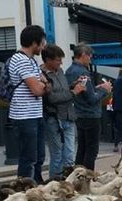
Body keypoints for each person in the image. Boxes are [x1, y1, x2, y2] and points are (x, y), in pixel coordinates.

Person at [8, 25, 49, 182]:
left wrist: (43, 84)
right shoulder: (21, 60)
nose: (44, 46)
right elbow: (37, 90)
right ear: (34, 43)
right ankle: (24, 190)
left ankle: (37, 186)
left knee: (39, 157)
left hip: (35, 114)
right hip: (24, 116)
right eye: (42, 42)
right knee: (28, 158)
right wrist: (43, 84)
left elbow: (45, 84)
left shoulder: (31, 61)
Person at [65, 43, 112, 171]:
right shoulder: (83, 72)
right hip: (90, 115)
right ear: (84, 55)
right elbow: (92, 99)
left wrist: (96, 88)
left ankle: (77, 174)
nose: (90, 59)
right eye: (90, 56)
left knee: (82, 148)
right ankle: (87, 177)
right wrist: (105, 90)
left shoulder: (69, 70)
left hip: (78, 113)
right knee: (91, 149)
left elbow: (85, 92)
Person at [41, 44, 85, 179]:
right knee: (57, 155)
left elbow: (63, 89)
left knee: (70, 155)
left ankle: (68, 183)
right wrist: (74, 92)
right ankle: (55, 183)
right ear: (48, 60)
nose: (61, 63)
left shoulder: (60, 71)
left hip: (68, 116)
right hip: (54, 119)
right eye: (58, 60)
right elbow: (52, 98)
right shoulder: (41, 75)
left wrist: (73, 84)